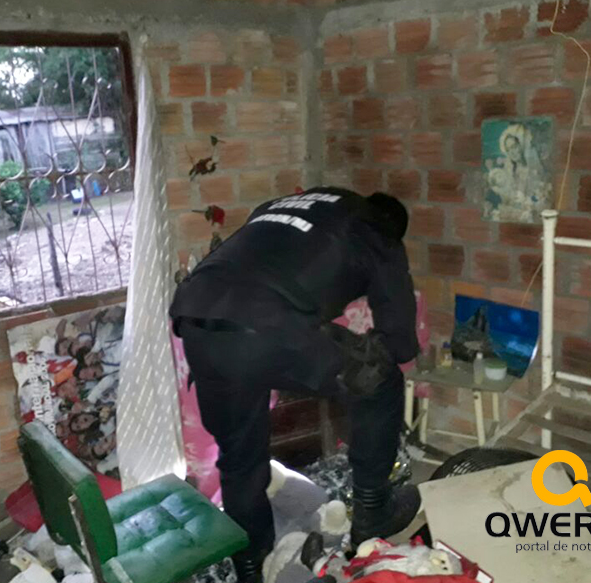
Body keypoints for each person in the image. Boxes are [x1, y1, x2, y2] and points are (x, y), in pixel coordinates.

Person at [169, 187, 421, 583]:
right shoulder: (377, 229)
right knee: (382, 382)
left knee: (239, 457)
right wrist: (377, 354)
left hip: (198, 321)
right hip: (266, 325)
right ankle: (373, 512)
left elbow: (270, 264)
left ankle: (251, 566)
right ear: (393, 227)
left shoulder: (288, 205)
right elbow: (401, 339)